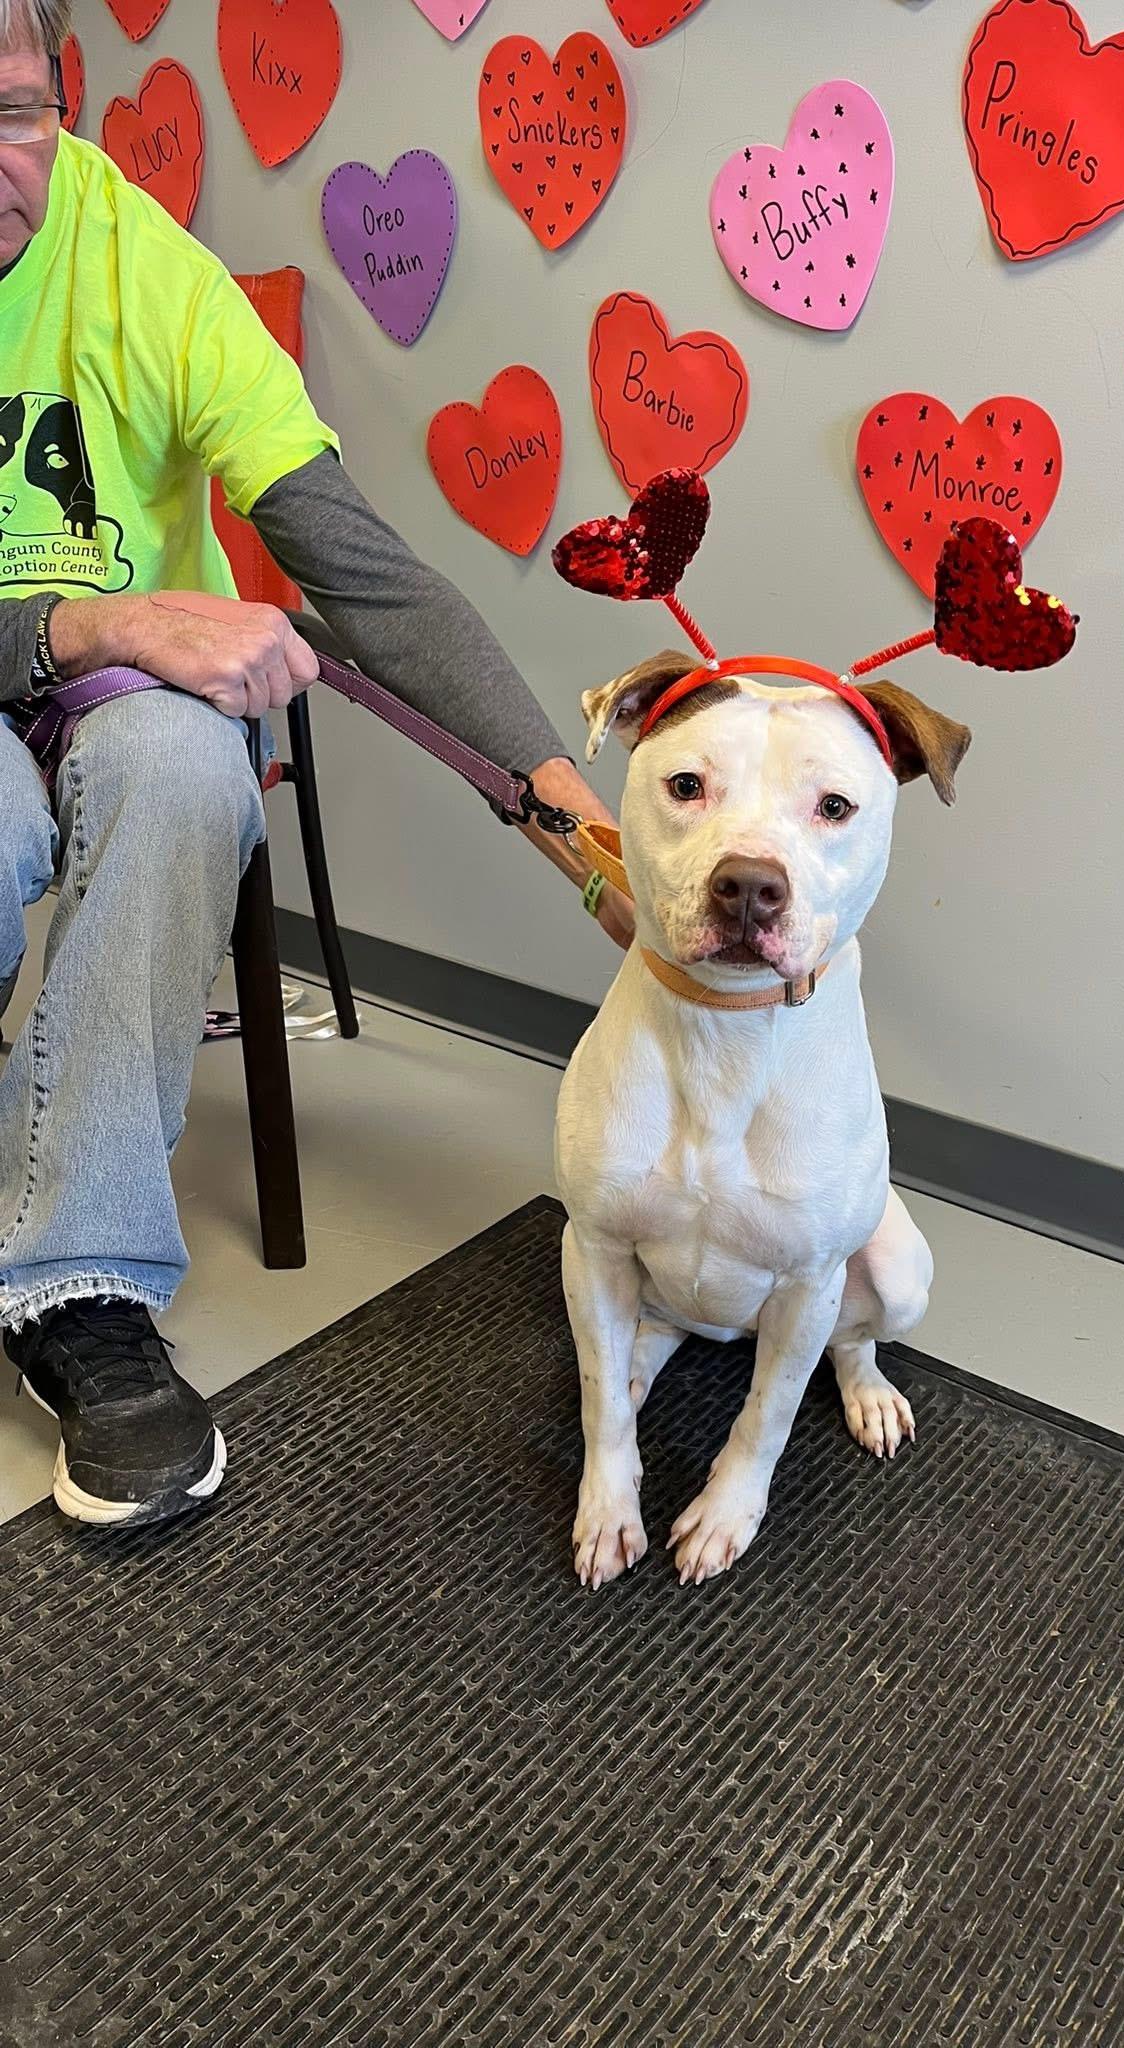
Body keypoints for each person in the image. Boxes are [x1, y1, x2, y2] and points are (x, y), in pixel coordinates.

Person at [0, 0, 630, 1526]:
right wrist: (94, 619)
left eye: (5, 113)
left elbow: (366, 577)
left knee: (184, 770)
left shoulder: (150, 273)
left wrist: (581, 829)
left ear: (62, 99)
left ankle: (78, 1283)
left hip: (126, 708)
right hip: (65, 661)